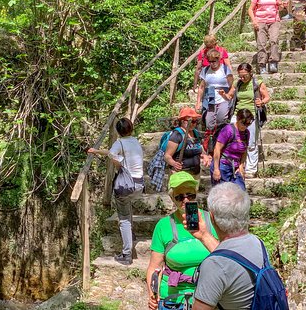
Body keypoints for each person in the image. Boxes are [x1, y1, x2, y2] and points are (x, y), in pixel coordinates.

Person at [190, 183, 274, 310]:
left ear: (212, 217)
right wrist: (204, 235)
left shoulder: (214, 265)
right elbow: (232, 259)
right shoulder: (257, 243)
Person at [146, 172, 219, 310]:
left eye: (190, 195)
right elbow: (154, 267)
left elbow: (227, 257)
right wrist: (152, 295)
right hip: (173, 299)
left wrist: (204, 235)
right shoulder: (164, 226)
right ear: (172, 199)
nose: (185, 200)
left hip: (209, 297)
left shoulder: (212, 220)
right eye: (180, 197)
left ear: (196, 194)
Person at [87, 118, 144, 265]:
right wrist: (97, 151)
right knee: (127, 207)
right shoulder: (135, 142)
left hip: (126, 186)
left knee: (123, 218)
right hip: (138, 185)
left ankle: (126, 255)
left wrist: (118, 165)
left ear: (118, 132)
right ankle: (131, 235)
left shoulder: (119, 143)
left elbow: (112, 154)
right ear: (131, 129)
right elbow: (112, 152)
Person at [227, 63, 270, 177]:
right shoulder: (237, 83)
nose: (242, 78)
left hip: (251, 115)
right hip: (237, 114)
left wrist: (261, 102)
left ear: (250, 73)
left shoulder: (257, 83)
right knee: (232, 139)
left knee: (251, 143)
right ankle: (233, 165)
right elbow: (229, 96)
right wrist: (223, 95)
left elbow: (267, 97)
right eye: (240, 75)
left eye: (244, 75)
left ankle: (251, 169)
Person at [209, 109, 254, 191]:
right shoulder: (228, 130)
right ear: (237, 119)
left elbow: (244, 151)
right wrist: (216, 169)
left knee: (241, 192)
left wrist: (241, 166)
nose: (245, 126)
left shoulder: (246, 133)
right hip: (222, 165)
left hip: (235, 167)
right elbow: (217, 148)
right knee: (222, 195)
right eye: (243, 123)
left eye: (248, 124)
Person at [248, 0, 282, 74]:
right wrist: (254, 21)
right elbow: (250, 9)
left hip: (274, 20)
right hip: (260, 20)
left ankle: (273, 61)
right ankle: (262, 64)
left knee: (274, 40)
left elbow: (281, 8)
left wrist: (281, 5)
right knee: (261, 43)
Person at [164, 108, 212, 177]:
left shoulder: (196, 134)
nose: (194, 124)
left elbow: (200, 150)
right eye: (191, 121)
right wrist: (174, 163)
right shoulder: (177, 135)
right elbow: (167, 156)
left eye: (195, 121)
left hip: (195, 173)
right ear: (182, 121)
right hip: (180, 175)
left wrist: (204, 156)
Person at [196, 49, 234, 131]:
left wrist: (228, 95)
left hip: (223, 98)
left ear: (219, 59)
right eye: (210, 61)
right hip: (210, 99)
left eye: (214, 61)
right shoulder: (205, 70)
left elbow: (231, 86)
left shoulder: (225, 69)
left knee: (221, 119)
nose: (212, 63)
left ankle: (221, 139)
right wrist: (198, 102)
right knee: (209, 122)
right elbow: (201, 87)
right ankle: (211, 140)